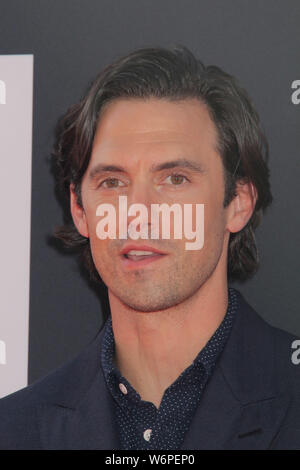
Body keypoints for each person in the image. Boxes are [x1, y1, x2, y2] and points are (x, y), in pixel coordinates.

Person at [0, 45, 299, 450]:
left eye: (175, 179)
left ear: (238, 203)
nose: (137, 213)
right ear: (79, 209)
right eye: (112, 182)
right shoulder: (15, 430)